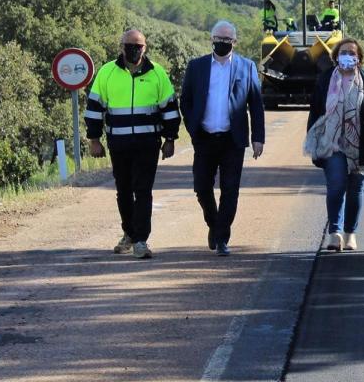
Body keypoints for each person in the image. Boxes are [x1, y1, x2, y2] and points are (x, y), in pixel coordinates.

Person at [85, 28, 181, 259]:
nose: (134, 50)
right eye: (129, 45)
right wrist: (94, 139)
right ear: (121, 47)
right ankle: (129, 233)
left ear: (145, 48)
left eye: (138, 46)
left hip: (147, 143)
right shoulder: (107, 72)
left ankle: (141, 240)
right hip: (119, 143)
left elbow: (169, 109)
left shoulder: (157, 73)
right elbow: (95, 108)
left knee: (143, 191)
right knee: (124, 191)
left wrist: (170, 139)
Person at [180, 20, 265, 256]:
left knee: (230, 189)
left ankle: (222, 238)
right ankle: (214, 224)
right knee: (201, 187)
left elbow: (256, 105)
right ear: (211, 39)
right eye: (219, 39)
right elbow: (185, 100)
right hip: (205, 137)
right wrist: (192, 128)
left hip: (232, 140)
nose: (222, 43)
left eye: (227, 40)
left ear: (234, 42)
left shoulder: (246, 67)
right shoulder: (196, 67)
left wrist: (258, 137)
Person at [304, 38, 364, 252]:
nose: (348, 55)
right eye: (343, 52)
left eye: (352, 52)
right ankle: (335, 233)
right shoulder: (325, 80)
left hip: (361, 144)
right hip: (332, 143)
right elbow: (315, 111)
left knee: (355, 189)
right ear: (336, 56)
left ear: (359, 58)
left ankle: (351, 234)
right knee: (337, 185)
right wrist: (313, 139)